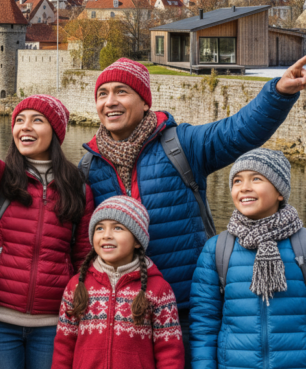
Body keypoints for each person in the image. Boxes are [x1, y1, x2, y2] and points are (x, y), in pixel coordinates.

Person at [82, 56, 306, 365]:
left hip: (185, 307)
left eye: (121, 91)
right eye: (102, 94)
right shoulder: (89, 166)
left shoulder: (181, 144)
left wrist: (278, 94)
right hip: (123, 312)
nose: (110, 102)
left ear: (145, 102)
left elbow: (238, 131)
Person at [0, 87, 94, 369]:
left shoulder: (78, 188)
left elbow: (84, 256)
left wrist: (80, 305)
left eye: (37, 120)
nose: (25, 127)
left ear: (56, 132)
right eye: (20, 120)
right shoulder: (0, 179)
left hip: (53, 322)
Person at [190, 149, 306, 369]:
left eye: (256, 178)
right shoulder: (218, 248)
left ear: (280, 191)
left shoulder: (302, 244)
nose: (244, 187)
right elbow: (204, 322)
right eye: (237, 181)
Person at [53, 196, 184, 369]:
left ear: (137, 240)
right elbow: (64, 345)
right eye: (99, 228)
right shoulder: (76, 286)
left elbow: (169, 352)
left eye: (117, 228)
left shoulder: (159, 290)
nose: (106, 235)